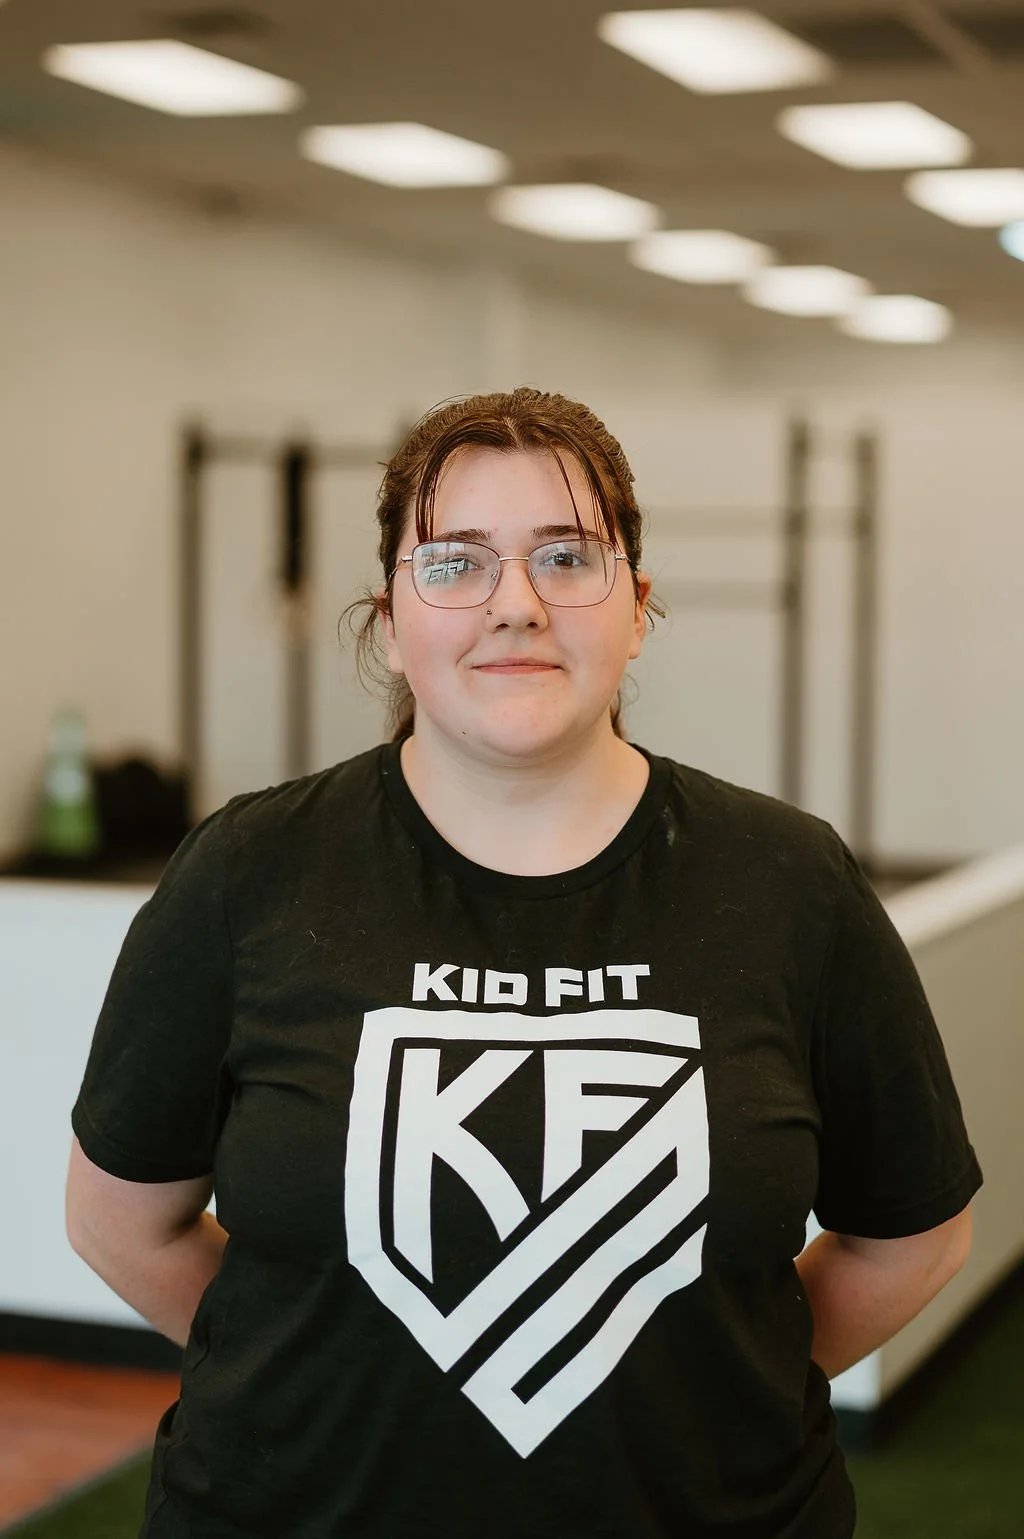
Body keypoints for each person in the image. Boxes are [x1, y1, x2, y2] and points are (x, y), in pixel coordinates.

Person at [66, 387, 982, 1539]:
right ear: (391, 621)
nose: (515, 605)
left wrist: (715, 1383)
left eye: (566, 557)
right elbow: (120, 1223)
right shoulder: (249, 871)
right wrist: (317, 1371)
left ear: (637, 608)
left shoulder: (790, 883)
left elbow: (912, 1233)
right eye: (454, 564)